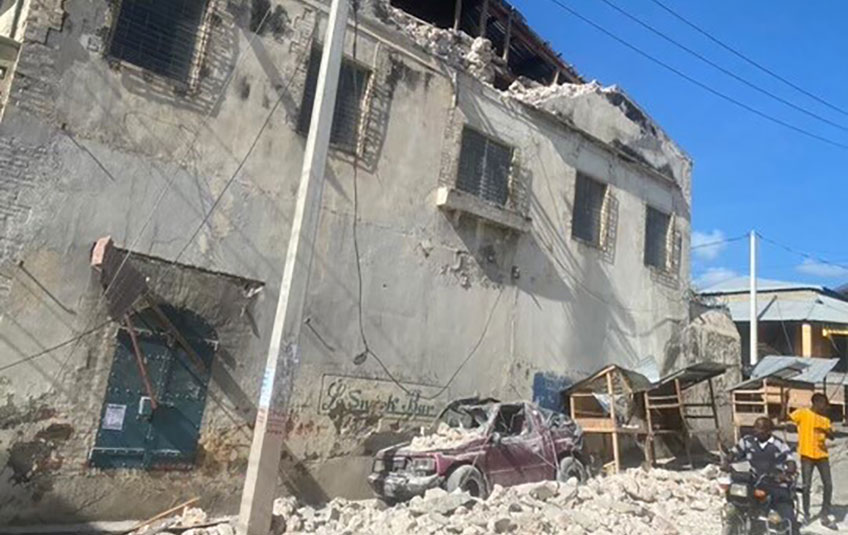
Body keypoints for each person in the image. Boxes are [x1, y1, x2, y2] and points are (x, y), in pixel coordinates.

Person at [722, 417, 799, 534]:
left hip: (775, 482)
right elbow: (734, 453)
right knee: (736, 500)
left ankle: (792, 530)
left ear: (769, 431)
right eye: (756, 428)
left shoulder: (778, 444)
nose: (757, 431)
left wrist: (789, 470)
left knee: (785, 511)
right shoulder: (747, 441)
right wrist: (727, 462)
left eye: (761, 429)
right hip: (754, 480)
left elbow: (789, 459)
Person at [788, 393, 834, 527]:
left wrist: (825, 431)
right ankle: (807, 514)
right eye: (824, 404)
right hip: (807, 455)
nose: (826, 407)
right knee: (806, 486)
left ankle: (824, 514)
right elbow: (787, 419)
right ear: (817, 403)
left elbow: (832, 436)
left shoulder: (825, 419)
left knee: (828, 485)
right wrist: (785, 404)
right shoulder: (803, 413)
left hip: (822, 455)